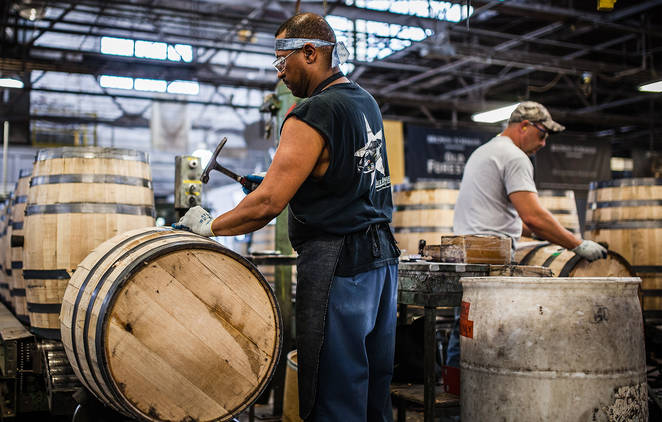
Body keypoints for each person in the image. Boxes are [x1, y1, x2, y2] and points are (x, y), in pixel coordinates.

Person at [174, 12, 400, 422]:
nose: (280, 74)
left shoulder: (311, 112)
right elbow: (345, 175)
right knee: (372, 388)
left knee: (334, 391)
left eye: (283, 62)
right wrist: (290, 178)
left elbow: (266, 206)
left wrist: (209, 226)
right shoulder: (364, 101)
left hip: (339, 266)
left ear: (310, 53)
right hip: (382, 263)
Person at [445, 101, 608, 368]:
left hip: (467, 254)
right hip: (489, 261)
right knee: (487, 339)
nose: (544, 143)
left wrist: (526, 231)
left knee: (464, 331)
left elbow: (494, 213)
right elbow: (533, 216)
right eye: (542, 135)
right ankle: (478, 401)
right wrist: (578, 244)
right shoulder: (515, 157)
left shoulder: (483, 152)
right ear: (524, 126)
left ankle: (456, 403)